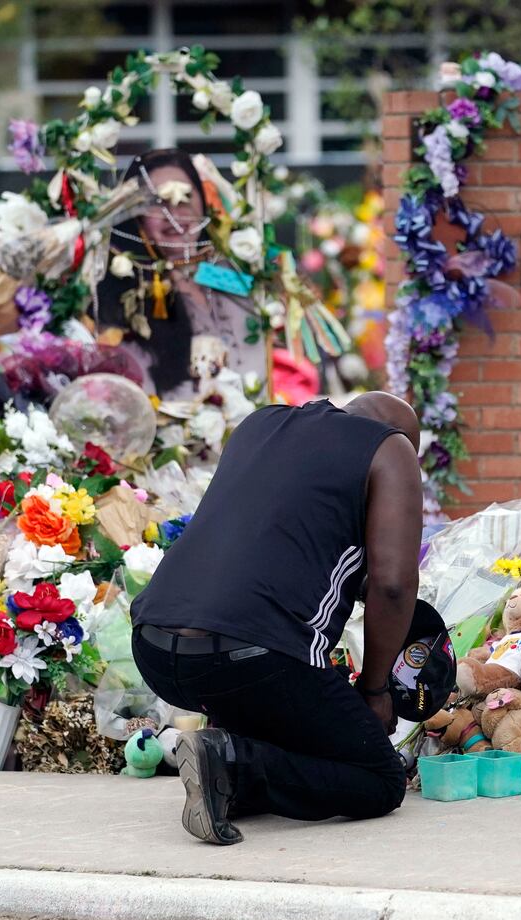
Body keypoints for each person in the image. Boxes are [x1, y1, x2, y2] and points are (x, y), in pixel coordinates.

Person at [130, 391, 423, 844]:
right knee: (379, 779)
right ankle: (230, 762)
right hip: (251, 656)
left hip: (154, 642)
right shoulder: (390, 447)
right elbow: (394, 585)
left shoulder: (260, 423)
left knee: (274, 705)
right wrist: (375, 688)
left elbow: (268, 542)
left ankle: (223, 767)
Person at [96, 148, 265, 399]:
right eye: (157, 201)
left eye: (186, 196)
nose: (174, 215)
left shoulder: (231, 271)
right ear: (136, 215)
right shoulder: (124, 289)